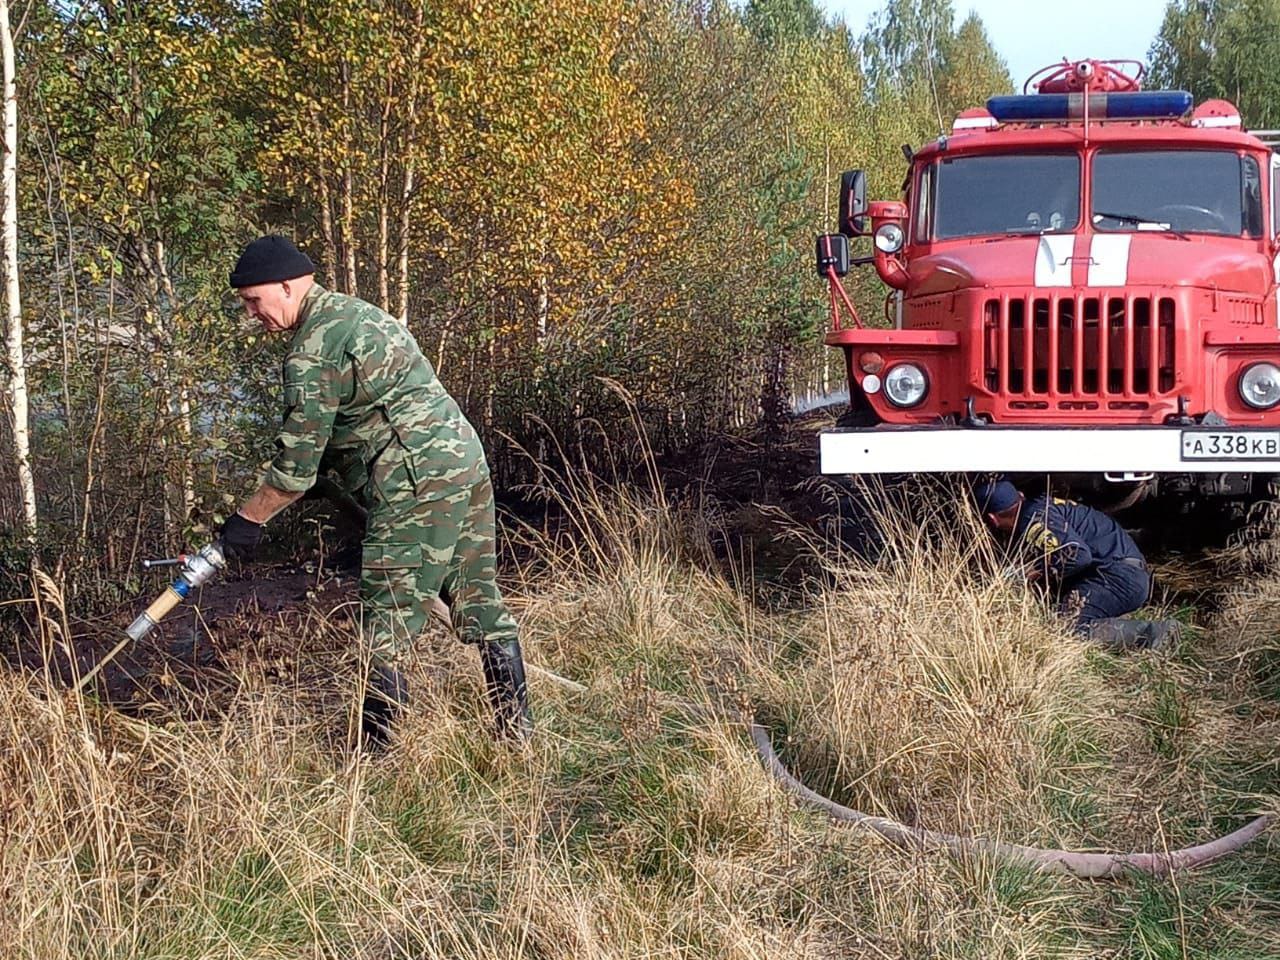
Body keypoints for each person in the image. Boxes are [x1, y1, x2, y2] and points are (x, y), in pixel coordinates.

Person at [217, 235, 532, 745]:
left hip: (413, 480)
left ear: (287, 286)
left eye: (255, 300)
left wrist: (247, 522)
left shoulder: (311, 350)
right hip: (463, 463)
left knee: (383, 625)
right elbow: (365, 412)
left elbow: (294, 469)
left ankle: (377, 761)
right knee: (478, 596)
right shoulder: (356, 314)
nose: (253, 314)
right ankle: (517, 737)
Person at [971, 479, 1180, 651]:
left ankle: (1153, 634)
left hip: (1119, 578)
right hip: (1127, 572)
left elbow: (1078, 557)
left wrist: (1032, 573)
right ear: (1020, 496)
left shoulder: (1031, 520)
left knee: (1065, 627)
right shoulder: (1043, 507)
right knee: (1066, 613)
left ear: (992, 519)